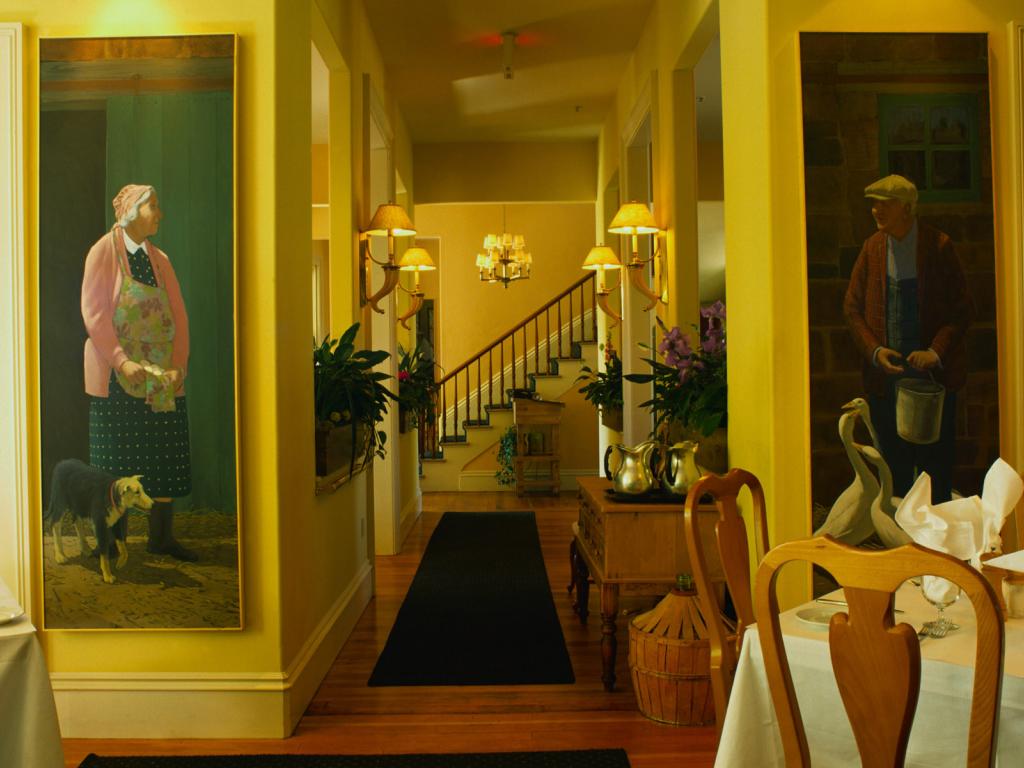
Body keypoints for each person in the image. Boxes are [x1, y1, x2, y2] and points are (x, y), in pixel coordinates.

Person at [81, 184, 198, 561]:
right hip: (118, 376)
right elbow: (95, 314)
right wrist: (121, 360)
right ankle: (111, 541)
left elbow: (179, 317)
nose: (159, 214)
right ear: (131, 211)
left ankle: (161, 538)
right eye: (153, 207)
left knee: (163, 455)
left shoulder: (161, 259)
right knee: (115, 460)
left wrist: (178, 365)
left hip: (160, 376)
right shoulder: (103, 251)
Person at [843, 174, 973, 503]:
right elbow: (852, 308)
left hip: (933, 379)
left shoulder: (938, 246)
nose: (876, 210)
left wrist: (935, 352)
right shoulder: (872, 248)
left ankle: (935, 532)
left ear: (906, 208)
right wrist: (876, 351)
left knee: (935, 470)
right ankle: (899, 533)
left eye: (884, 204)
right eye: (873, 204)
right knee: (894, 469)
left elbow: (961, 310)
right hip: (887, 379)